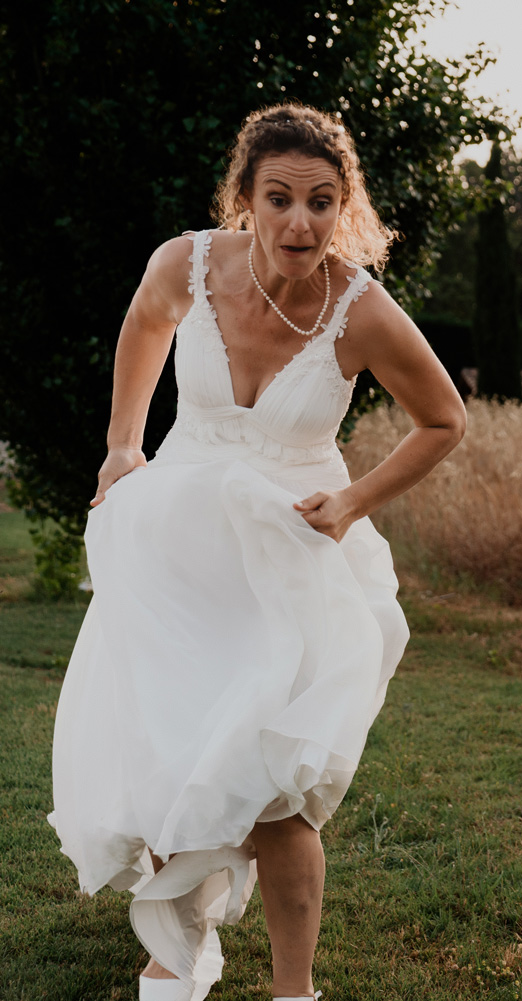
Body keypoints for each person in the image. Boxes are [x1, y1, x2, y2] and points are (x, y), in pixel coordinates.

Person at [48, 104, 466, 1001]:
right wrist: (124, 444)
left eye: (321, 201)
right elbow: (142, 328)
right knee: (172, 758)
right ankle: (177, 948)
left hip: (287, 569)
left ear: (341, 206)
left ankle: (294, 991)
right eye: (279, 198)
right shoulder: (186, 265)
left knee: (278, 793)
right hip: (179, 559)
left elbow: (445, 419)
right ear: (246, 199)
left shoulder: (361, 309)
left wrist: (354, 501)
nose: (300, 222)